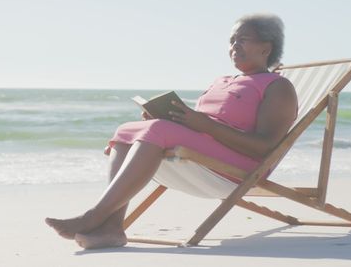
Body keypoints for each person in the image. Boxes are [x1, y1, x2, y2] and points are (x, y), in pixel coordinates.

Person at [45, 13, 298, 249]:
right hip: (206, 152)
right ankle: (111, 227)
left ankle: (93, 216)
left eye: (242, 40)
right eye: (231, 40)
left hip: (242, 167)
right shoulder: (221, 81)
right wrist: (172, 120)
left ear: (266, 47)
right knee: (126, 131)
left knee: (156, 130)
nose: (234, 46)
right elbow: (200, 126)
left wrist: (201, 125)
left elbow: (265, 147)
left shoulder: (278, 87)